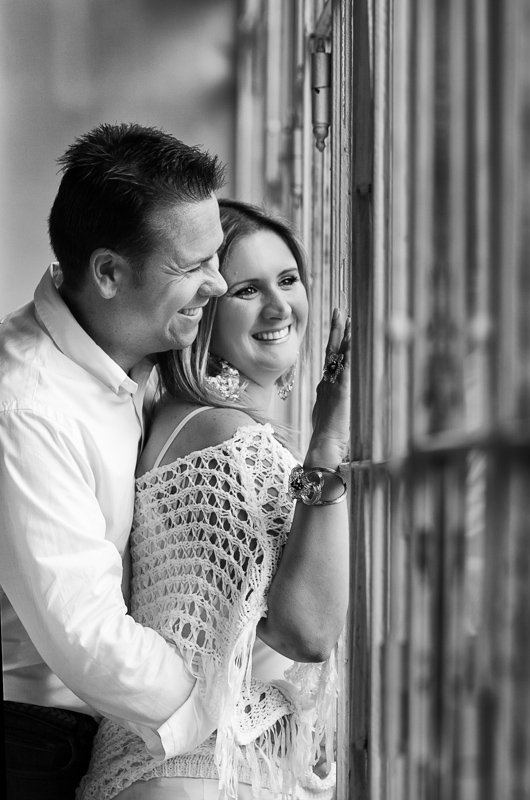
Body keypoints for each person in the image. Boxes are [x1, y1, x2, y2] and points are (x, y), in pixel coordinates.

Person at [77, 199, 351, 800]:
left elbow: (237, 640)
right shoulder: (230, 444)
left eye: (288, 279)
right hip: (199, 777)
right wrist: (328, 443)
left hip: (166, 772)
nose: (280, 307)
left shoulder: (181, 423)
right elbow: (305, 630)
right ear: (203, 309)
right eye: (248, 290)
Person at [0, 122, 229, 798]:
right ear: (107, 272)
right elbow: (87, 637)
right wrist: (231, 709)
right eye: (191, 268)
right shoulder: (25, 406)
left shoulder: (135, 349)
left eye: (216, 257)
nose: (215, 284)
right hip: (35, 745)